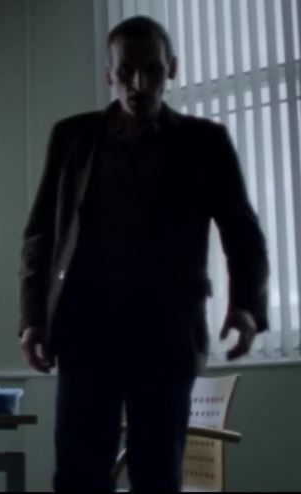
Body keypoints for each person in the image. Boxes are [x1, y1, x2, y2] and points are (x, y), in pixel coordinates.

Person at [18, 16, 269, 492]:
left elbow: (242, 231)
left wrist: (245, 306)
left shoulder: (205, 142)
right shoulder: (72, 137)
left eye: (151, 70)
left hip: (166, 336)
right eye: (126, 71)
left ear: (171, 69)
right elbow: (40, 235)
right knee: (78, 476)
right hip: (86, 332)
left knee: (157, 475)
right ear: (108, 75)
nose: (138, 84)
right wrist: (33, 319)